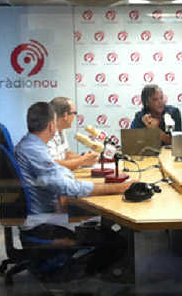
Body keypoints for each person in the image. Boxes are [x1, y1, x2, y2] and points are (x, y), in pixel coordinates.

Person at [14, 102, 135, 277]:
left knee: (103, 224)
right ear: (51, 125)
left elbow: (62, 173)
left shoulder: (32, 145)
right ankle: (74, 279)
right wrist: (116, 188)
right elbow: (67, 187)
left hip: (46, 215)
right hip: (43, 223)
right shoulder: (34, 150)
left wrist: (68, 179)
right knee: (116, 243)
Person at [48, 97, 98, 170]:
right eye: (74, 113)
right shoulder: (45, 133)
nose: (75, 117)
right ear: (65, 115)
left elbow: (66, 155)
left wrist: (86, 158)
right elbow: (52, 164)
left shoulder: (61, 130)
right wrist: (82, 161)